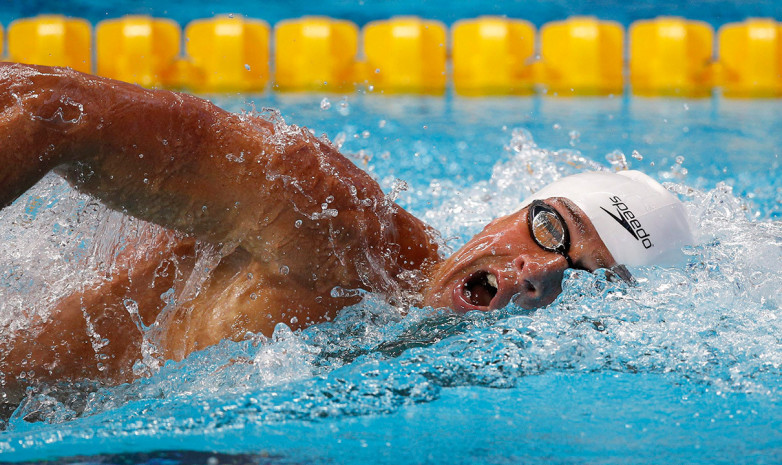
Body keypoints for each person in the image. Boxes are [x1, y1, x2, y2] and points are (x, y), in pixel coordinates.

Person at [0, 63, 693, 397]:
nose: (537, 273)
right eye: (549, 229)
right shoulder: (328, 220)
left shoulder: (455, 369)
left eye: (584, 280)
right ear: (504, 213)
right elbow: (56, 112)